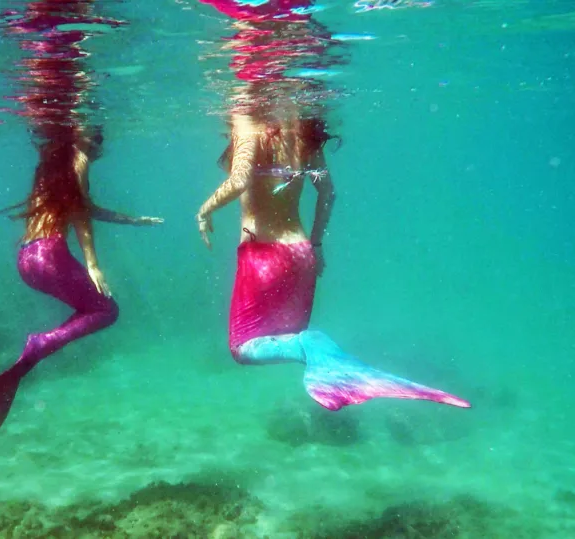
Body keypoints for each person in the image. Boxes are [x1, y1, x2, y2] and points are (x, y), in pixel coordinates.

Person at [195, 0, 469, 411]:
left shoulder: (249, 115)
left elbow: (239, 180)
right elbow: (327, 191)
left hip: (263, 256)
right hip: (301, 254)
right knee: (289, 339)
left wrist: (204, 211)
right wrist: (318, 245)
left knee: (242, 347)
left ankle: (316, 344)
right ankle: (326, 355)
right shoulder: (302, 128)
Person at [0, 1, 162, 441]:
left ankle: (16, 375)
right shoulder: (77, 158)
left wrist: (129, 219)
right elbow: (79, 212)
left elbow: (75, 206)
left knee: (96, 309)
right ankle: (38, 346)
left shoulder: (52, 161)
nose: (100, 145)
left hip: (28, 259)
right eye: (97, 137)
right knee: (106, 310)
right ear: (83, 133)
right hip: (50, 257)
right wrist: (94, 263)